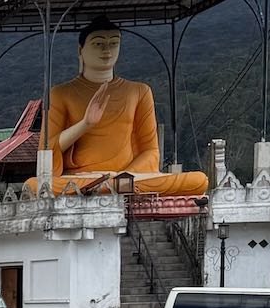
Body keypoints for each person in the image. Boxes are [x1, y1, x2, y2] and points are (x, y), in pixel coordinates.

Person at [37, 16, 209, 197]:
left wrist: (124, 176)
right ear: (80, 50)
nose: (107, 50)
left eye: (114, 43)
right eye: (98, 44)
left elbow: (150, 151)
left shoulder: (139, 91)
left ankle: (111, 186)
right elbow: (46, 151)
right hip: (82, 178)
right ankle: (107, 186)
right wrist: (85, 124)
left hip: (129, 177)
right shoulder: (60, 93)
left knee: (198, 180)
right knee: (35, 185)